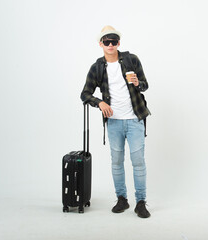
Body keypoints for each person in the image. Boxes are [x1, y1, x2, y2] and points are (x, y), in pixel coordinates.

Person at [80, 25, 151, 218]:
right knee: (117, 162)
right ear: (100, 44)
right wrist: (99, 102)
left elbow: (145, 85)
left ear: (118, 43)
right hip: (113, 122)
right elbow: (85, 94)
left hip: (135, 119)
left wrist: (138, 83)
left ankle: (141, 202)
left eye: (113, 41)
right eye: (106, 41)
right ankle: (122, 199)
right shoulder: (97, 67)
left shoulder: (131, 60)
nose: (110, 44)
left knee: (138, 162)